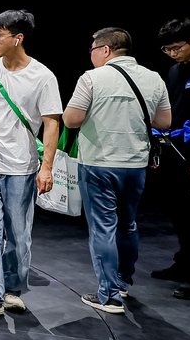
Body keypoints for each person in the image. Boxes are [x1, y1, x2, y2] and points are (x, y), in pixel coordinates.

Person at [63, 27, 170, 314]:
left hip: (98, 164)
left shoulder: (92, 78)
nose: (91, 55)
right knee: (127, 224)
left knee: (103, 228)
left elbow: (71, 120)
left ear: (105, 50)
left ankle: (109, 296)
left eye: (92, 50)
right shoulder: (154, 78)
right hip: (135, 165)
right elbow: (164, 122)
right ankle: (122, 282)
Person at [0, 9, 61, 319]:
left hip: (21, 167)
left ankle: (12, 290)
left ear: (18, 38)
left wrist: (47, 167)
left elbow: (52, 123)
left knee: (18, 234)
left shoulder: (42, 76)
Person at [152, 17, 190, 300]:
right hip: (175, 149)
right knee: (177, 209)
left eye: (177, 47)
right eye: (167, 49)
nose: (173, 53)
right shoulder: (174, 71)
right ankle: (184, 262)